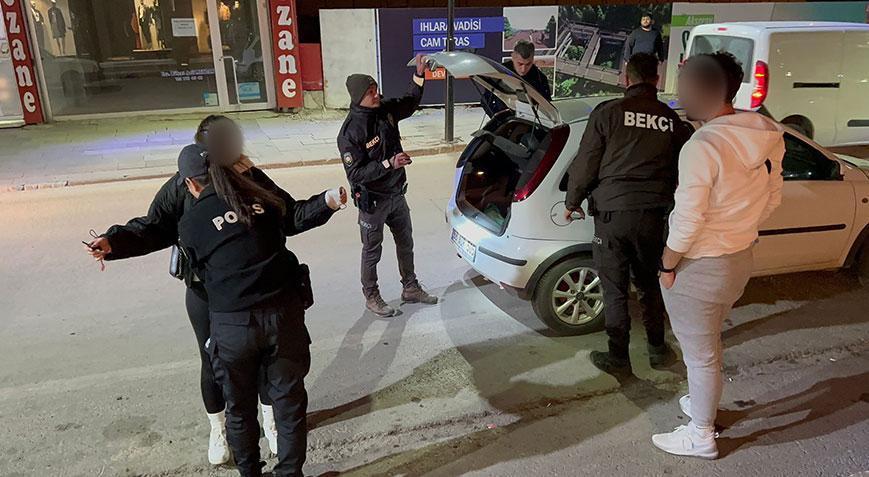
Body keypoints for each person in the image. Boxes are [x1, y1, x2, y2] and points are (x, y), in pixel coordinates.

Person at [84, 116, 342, 465]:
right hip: (209, 296)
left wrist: (326, 202)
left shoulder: (249, 177)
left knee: (271, 366)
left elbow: (288, 216)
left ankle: (271, 422)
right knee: (215, 366)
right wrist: (114, 242)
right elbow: (154, 226)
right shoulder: (184, 185)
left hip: (262, 298)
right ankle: (219, 428)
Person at [179, 119, 345, 477]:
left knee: (239, 410)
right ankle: (289, 473)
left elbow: (198, 270)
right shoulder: (262, 198)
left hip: (233, 325)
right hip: (282, 316)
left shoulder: (191, 222)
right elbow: (291, 217)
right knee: (288, 403)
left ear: (193, 183)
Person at [651, 52, 784, 459]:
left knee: (701, 353)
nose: (680, 94)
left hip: (701, 265)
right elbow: (773, 198)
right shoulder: (765, 132)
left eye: (686, 85)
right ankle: (702, 401)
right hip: (739, 257)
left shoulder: (703, 145)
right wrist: (738, 228)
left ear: (707, 90)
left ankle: (701, 434)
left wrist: (667, 264)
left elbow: (688, 220)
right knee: (708, 346)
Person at [564, 53, 691, 375]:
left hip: (613, 215)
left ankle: (618, 357)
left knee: (615, 288)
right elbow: (686, 167)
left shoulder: (608, 113)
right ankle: (658, 350)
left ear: (625, 78)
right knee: (649, 284)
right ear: (657, 80)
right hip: (654, 216)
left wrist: (572, 201)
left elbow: (586, 162)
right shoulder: (671, 120)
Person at [338, 54, 438, 317]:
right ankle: (372, 296)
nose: (377, 94)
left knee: (406, 243)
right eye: (371, 92)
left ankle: (411, 287)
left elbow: (410, 101)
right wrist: (388, 164)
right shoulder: (350, 132)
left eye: (376, 89)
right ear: (359, 96)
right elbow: (357, 173)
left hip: (397, 194)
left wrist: (419, 74)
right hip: (373, 202)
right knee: (372, 251)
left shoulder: (385, 110)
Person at [482, 40, 552, 118]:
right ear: (513, 57)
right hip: (504, 118)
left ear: (532, 59)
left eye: (528, 64)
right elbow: (485, 100)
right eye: (520, 64)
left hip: (530, 121)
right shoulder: (499, 73)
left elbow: (547, 106)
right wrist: (497, 117)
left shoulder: (540, 78)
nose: (523, 69)